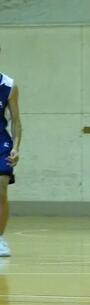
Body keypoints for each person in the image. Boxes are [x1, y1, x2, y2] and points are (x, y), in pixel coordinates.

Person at [0, 52, 22, 257]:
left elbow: (16, 121)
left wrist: (16, 147)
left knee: (1, 190)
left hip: (1, 143)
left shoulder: (8, 85)